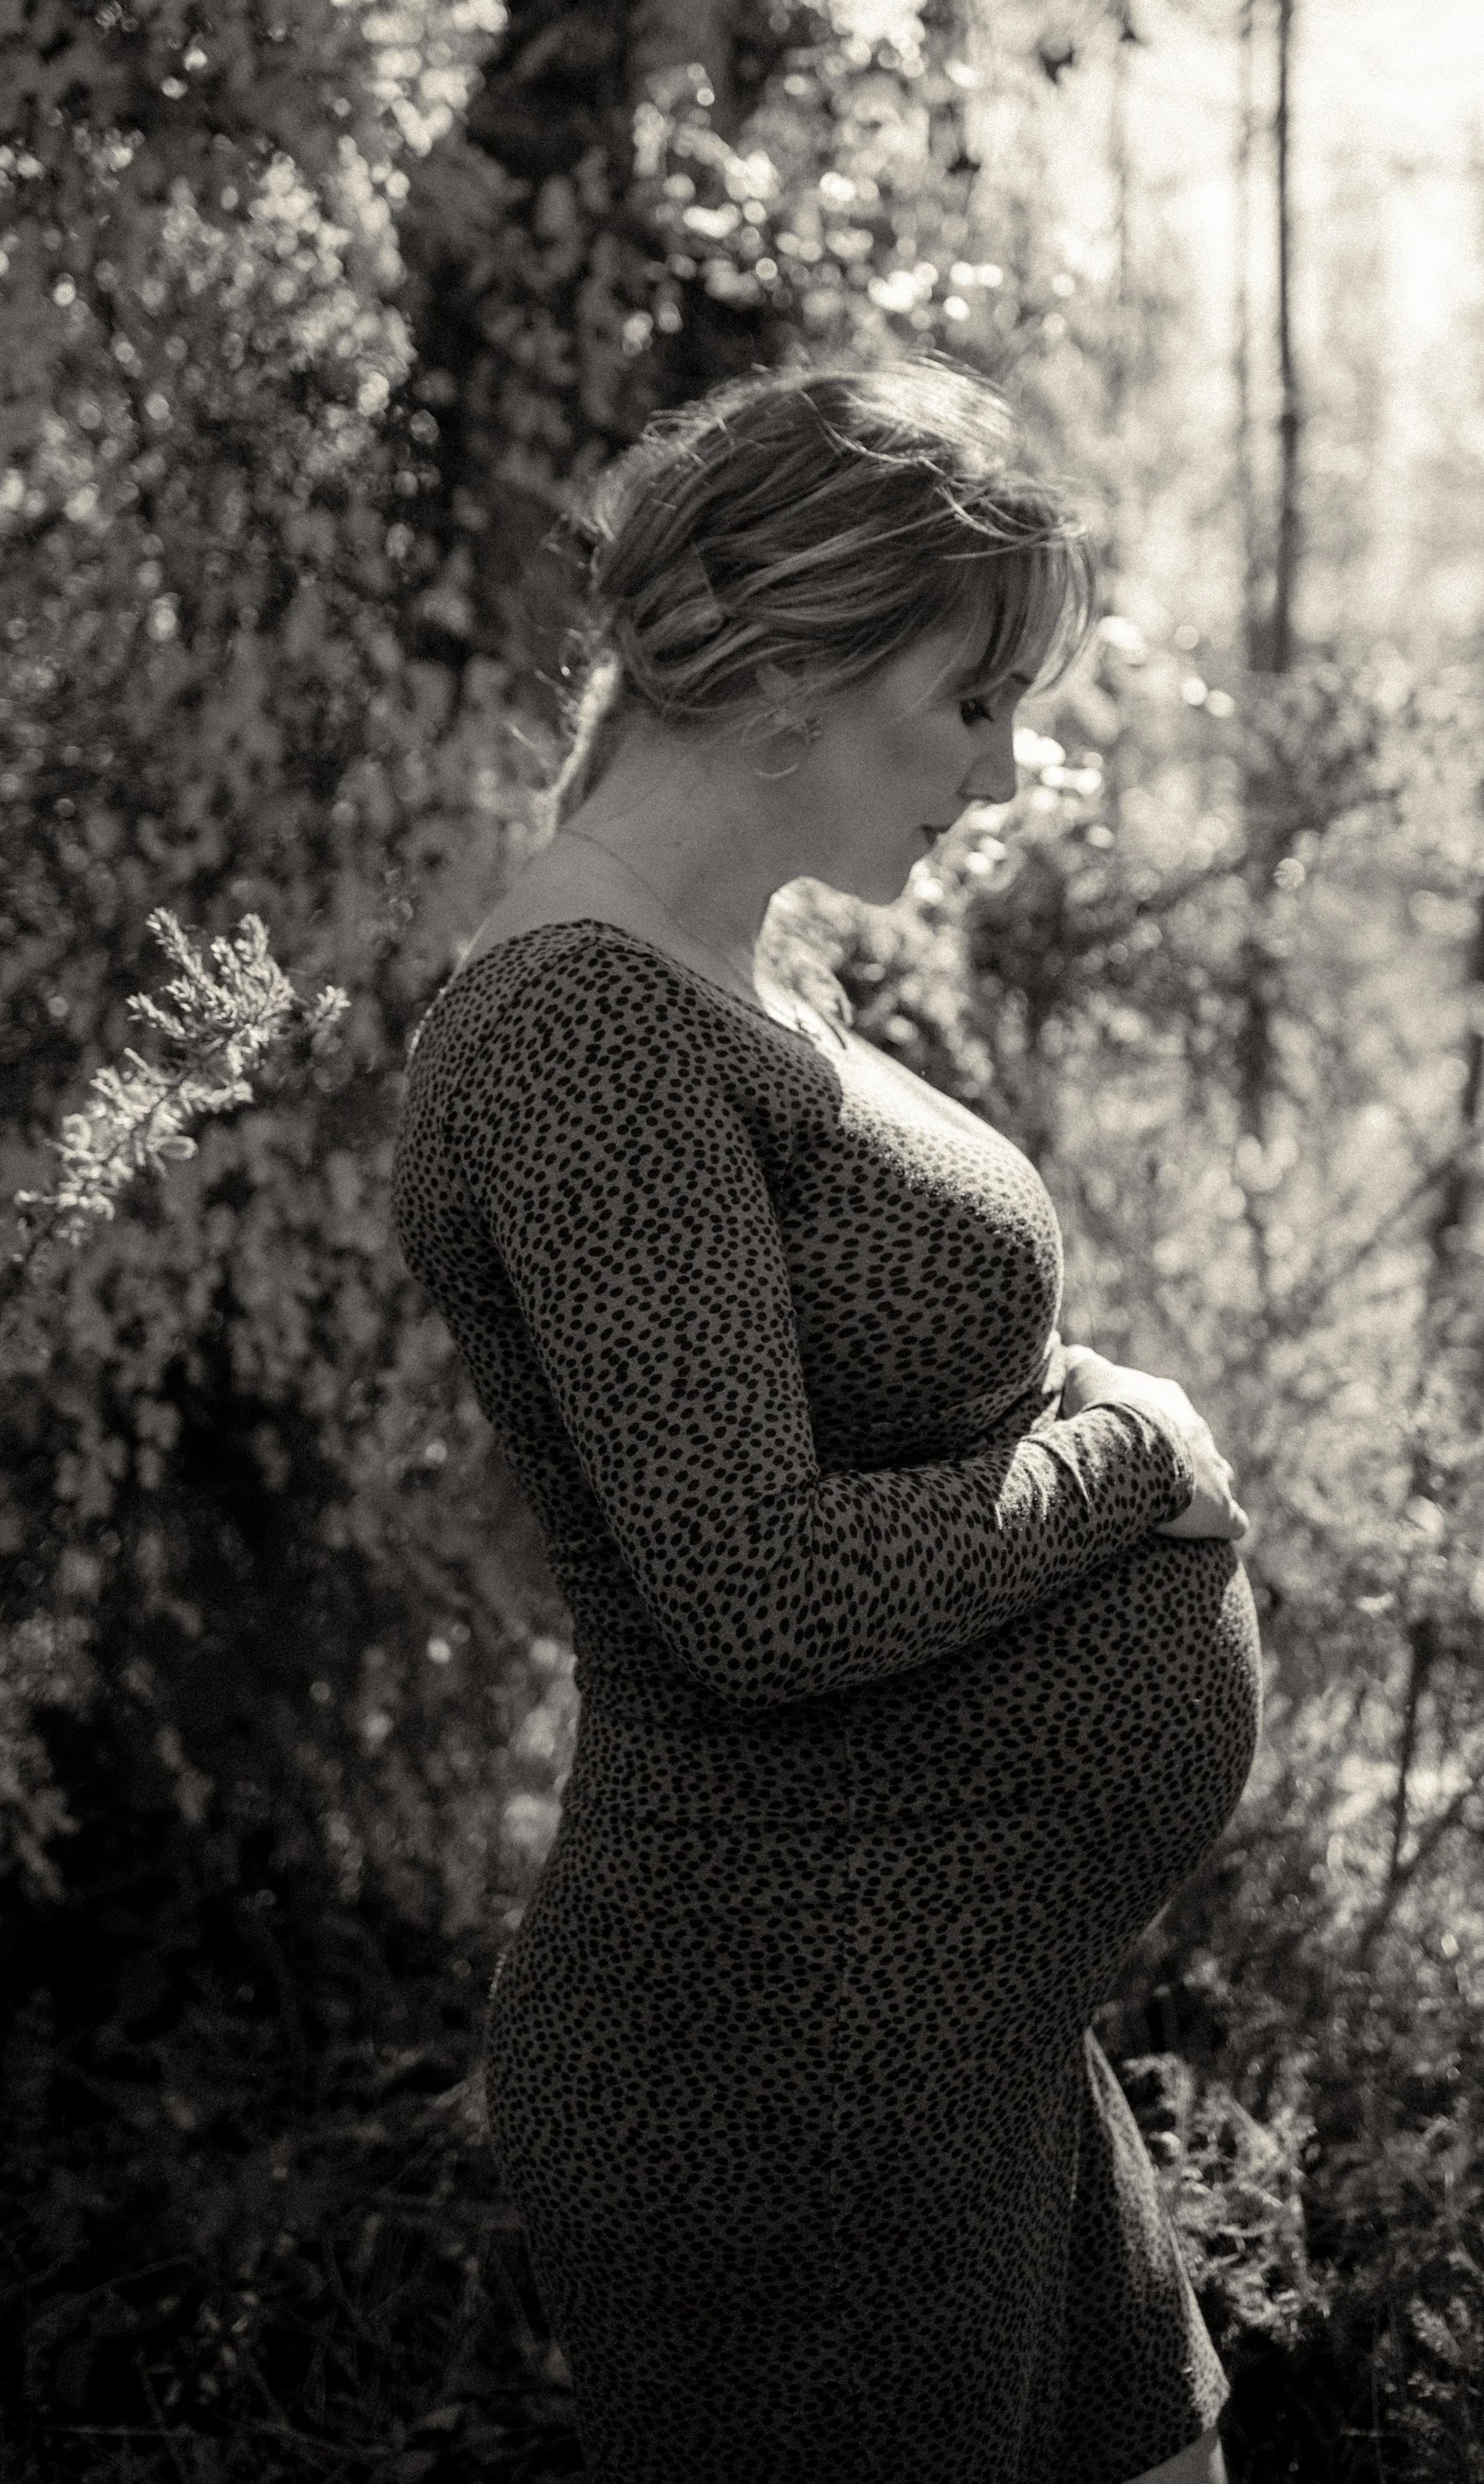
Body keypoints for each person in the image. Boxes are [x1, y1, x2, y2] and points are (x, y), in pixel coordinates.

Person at [393, 357, 1263, 2484]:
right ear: (792, 663)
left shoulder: (732, 980)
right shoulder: (580, 1027)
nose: (1002, 764)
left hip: (946, 2018)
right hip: (775, 2065)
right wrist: (1126, 1454)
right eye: (971, 700)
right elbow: (755, 1590)